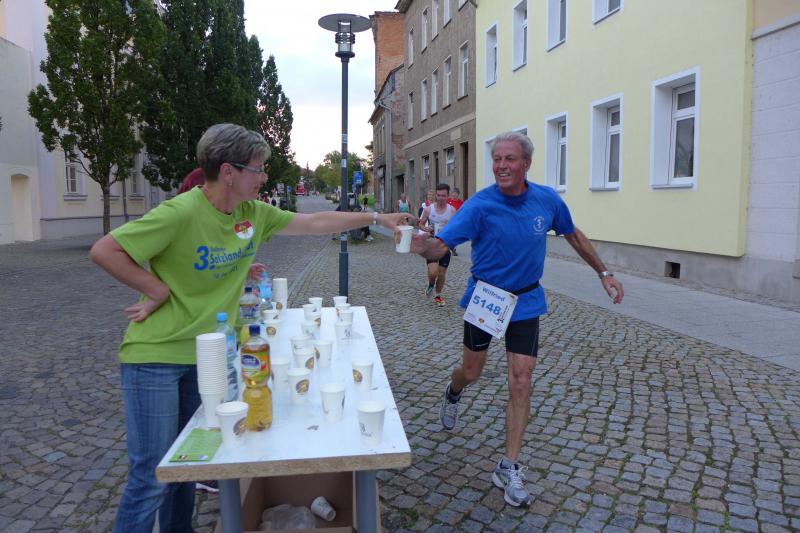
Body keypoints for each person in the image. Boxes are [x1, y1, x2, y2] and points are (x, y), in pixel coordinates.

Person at [90, 123, 414, 533]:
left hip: (207, 357)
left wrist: (378, 217)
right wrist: (156, 289)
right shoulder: (180, 212)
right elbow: (106, 250)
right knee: (150, 476)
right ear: (228, 172)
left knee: (188, 466)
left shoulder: (252, 214)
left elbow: (316, 222)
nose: (264, 177)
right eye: (257, 169)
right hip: (155, 356)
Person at [411, 131, 623, 508]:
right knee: (471, 371)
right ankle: (454, 390)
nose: (502, 166)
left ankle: (508, 466)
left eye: (510, 159)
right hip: (487, 298)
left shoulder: (546, 199)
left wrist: (603, 273)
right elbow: (440, 245)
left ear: (526, 163)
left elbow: (572, 234)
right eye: (497, 159)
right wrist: (418, 245)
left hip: (525, 300)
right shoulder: (480, 205)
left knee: (521, 380)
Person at [418, 183, 455, 306]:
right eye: (438, 195)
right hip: (432, 244)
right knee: (433, 272)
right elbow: (420, 224)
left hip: (445, 245)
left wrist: (450, 227)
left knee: (442, 273)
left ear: (448, 196)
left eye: (443, 196)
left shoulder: (452, 210)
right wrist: (425, 228)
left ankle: (438, 295)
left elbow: (457, 227)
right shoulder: (428, 209)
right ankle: (430, 284)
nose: (440, 198)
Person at [446, 187, 464, 256]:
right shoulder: (448, 201)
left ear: (458, 194)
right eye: (453, 193)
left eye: (456, 193)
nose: (454, 194)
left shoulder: (461, 202)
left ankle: (452, 247)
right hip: (447, 221)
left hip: (456, 221)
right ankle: (451, 248)